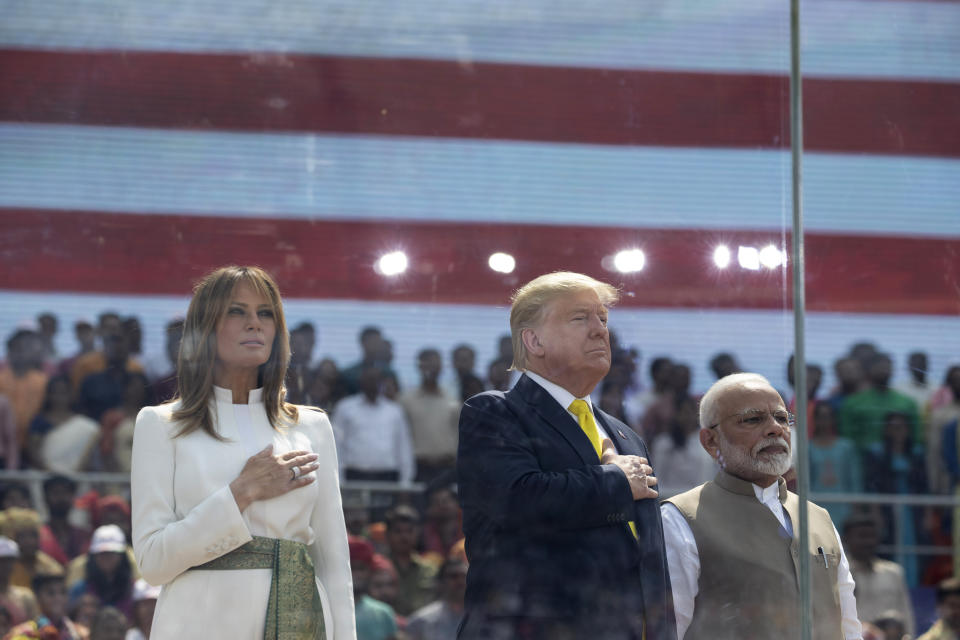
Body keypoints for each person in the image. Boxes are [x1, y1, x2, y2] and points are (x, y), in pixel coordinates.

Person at [131, 265, 355, 639]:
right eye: (237, 311)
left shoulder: (311, 426)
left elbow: (334, 563)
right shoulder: (160, 424)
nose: (255, 323)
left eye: (265, 313)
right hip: (198, 622)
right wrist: (241, 492)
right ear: (205, 327)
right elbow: (153, 563)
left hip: (301, 619)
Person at [457, 271, 675, 640]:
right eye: (580, 318)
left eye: (602, 319)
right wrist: (616, 480)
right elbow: (518, 501)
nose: (600, 330)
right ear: (534, 340)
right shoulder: (495, 413)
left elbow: (651, 563)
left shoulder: (627, 437)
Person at [661, 372, 862, 639]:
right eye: (753, 419)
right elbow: (667, 630)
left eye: (782, 418)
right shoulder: (680, 519)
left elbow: (849, 628)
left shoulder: (818, 518)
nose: (775, 429)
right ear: (711, 441)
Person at [332, 365, 415, 484]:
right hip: (354, 475)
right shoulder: (345, 408)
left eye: (376, 379)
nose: (372, 383)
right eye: (368, 379)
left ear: (382, 382)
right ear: (361, 381)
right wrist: (338, 479)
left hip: (387, 476)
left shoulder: (395, 411)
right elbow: (337, 446)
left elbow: (403, 447)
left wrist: (406, 482)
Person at [843, 515, 915, 637]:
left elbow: (905, 613)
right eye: (862, 536)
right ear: (845, 539)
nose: (868, 542)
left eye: (872, 536)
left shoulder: (893, 572)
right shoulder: (841, 574)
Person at [398, 349, 460, 484]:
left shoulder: (453, 399)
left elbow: (458, 433)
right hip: (419, 468)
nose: (432, 369)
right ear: (420, 367)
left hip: (447, 468)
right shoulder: (406, 400)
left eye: (436, 365)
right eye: (428, 365)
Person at [68, 526, 135, 621]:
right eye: (102, 553)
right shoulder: (79, 590)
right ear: (93, 556)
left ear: (122, 556)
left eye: (112, 552)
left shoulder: (135, 589)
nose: (106, 557)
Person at [382, 506, 436, 617]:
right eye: (398, 531)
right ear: (387, 535)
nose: (404, 536)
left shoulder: (430, 569)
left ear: (418, 533)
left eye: (409, 531)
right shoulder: (379, 567)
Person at [5, 571, 88, 640]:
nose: (58, 598)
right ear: (38, 598)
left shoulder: (80, 633)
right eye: (51, 593)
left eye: (63, 592)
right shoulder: (23, 633)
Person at [405, 557, 468, 640]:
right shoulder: (421, 621)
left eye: (464, 576)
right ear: (441, 582)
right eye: (454, 576)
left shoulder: (483, 617)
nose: (460, 581)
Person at [349, 537, 397, 640]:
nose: (357, 574)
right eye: (352, 568)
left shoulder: (383, 613)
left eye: (361, 569)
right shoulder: (330, 610)